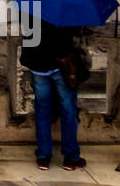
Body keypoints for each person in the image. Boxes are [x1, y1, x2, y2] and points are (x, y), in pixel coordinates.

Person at [21, 16, 85, 171]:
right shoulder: (66, 7)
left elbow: (29, 36)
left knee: (42, 111)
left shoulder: (31, 6)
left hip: (38, 66)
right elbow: (73, 34)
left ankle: (43, 157)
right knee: (68, 111)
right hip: (61, 65)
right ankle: (70, 157)